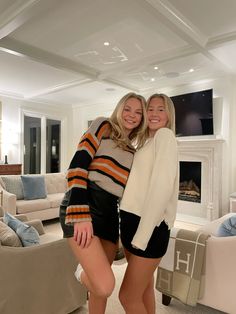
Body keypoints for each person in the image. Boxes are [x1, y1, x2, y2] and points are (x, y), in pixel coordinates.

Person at [59, 92, 147, 314]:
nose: (131, 115)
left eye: (138, 112)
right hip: (83, 203)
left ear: (142, 119)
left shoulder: (133, 151)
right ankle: (80, 272)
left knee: (99, 292)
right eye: (128, 108)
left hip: (109, 212)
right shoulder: (103, 125)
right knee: (104, 285)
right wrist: (81, 215)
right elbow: (77, 167)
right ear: (119, 108)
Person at [119, 93, 179, 314]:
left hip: (149, 227)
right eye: (150, 109)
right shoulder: (143, 142)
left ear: (168, 115)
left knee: (126, 296)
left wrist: (142, 235)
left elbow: (161, 188)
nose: (153, 113)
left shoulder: (165, 136)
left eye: (160, 109)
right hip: (129, 221)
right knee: (143, 290)